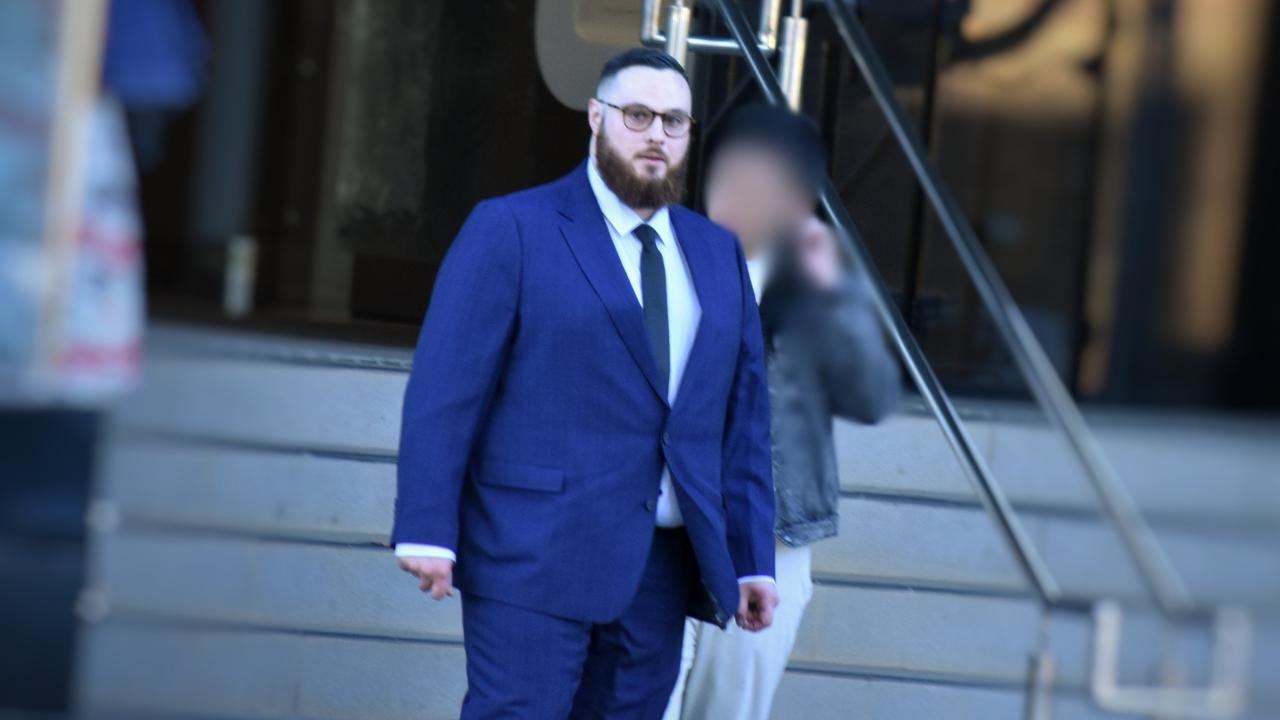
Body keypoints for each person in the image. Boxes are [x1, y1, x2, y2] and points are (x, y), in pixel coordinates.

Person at [392, 49, 779, 719]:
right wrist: (427, 527)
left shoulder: (716, 252)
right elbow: (446, 390)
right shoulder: (512, 228)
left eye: (675, 121)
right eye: (638, 115)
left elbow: (742, 419)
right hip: (531, 548)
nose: (657, 135)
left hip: (661, 564)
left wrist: (751, 558)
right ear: (596, 118)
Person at [664, 105, 900, 720]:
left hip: (771, 538)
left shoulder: (815, 284)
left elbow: (872, 397)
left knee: (730, 710)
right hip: (663, 523)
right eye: (729, 177)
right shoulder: (665, 256)